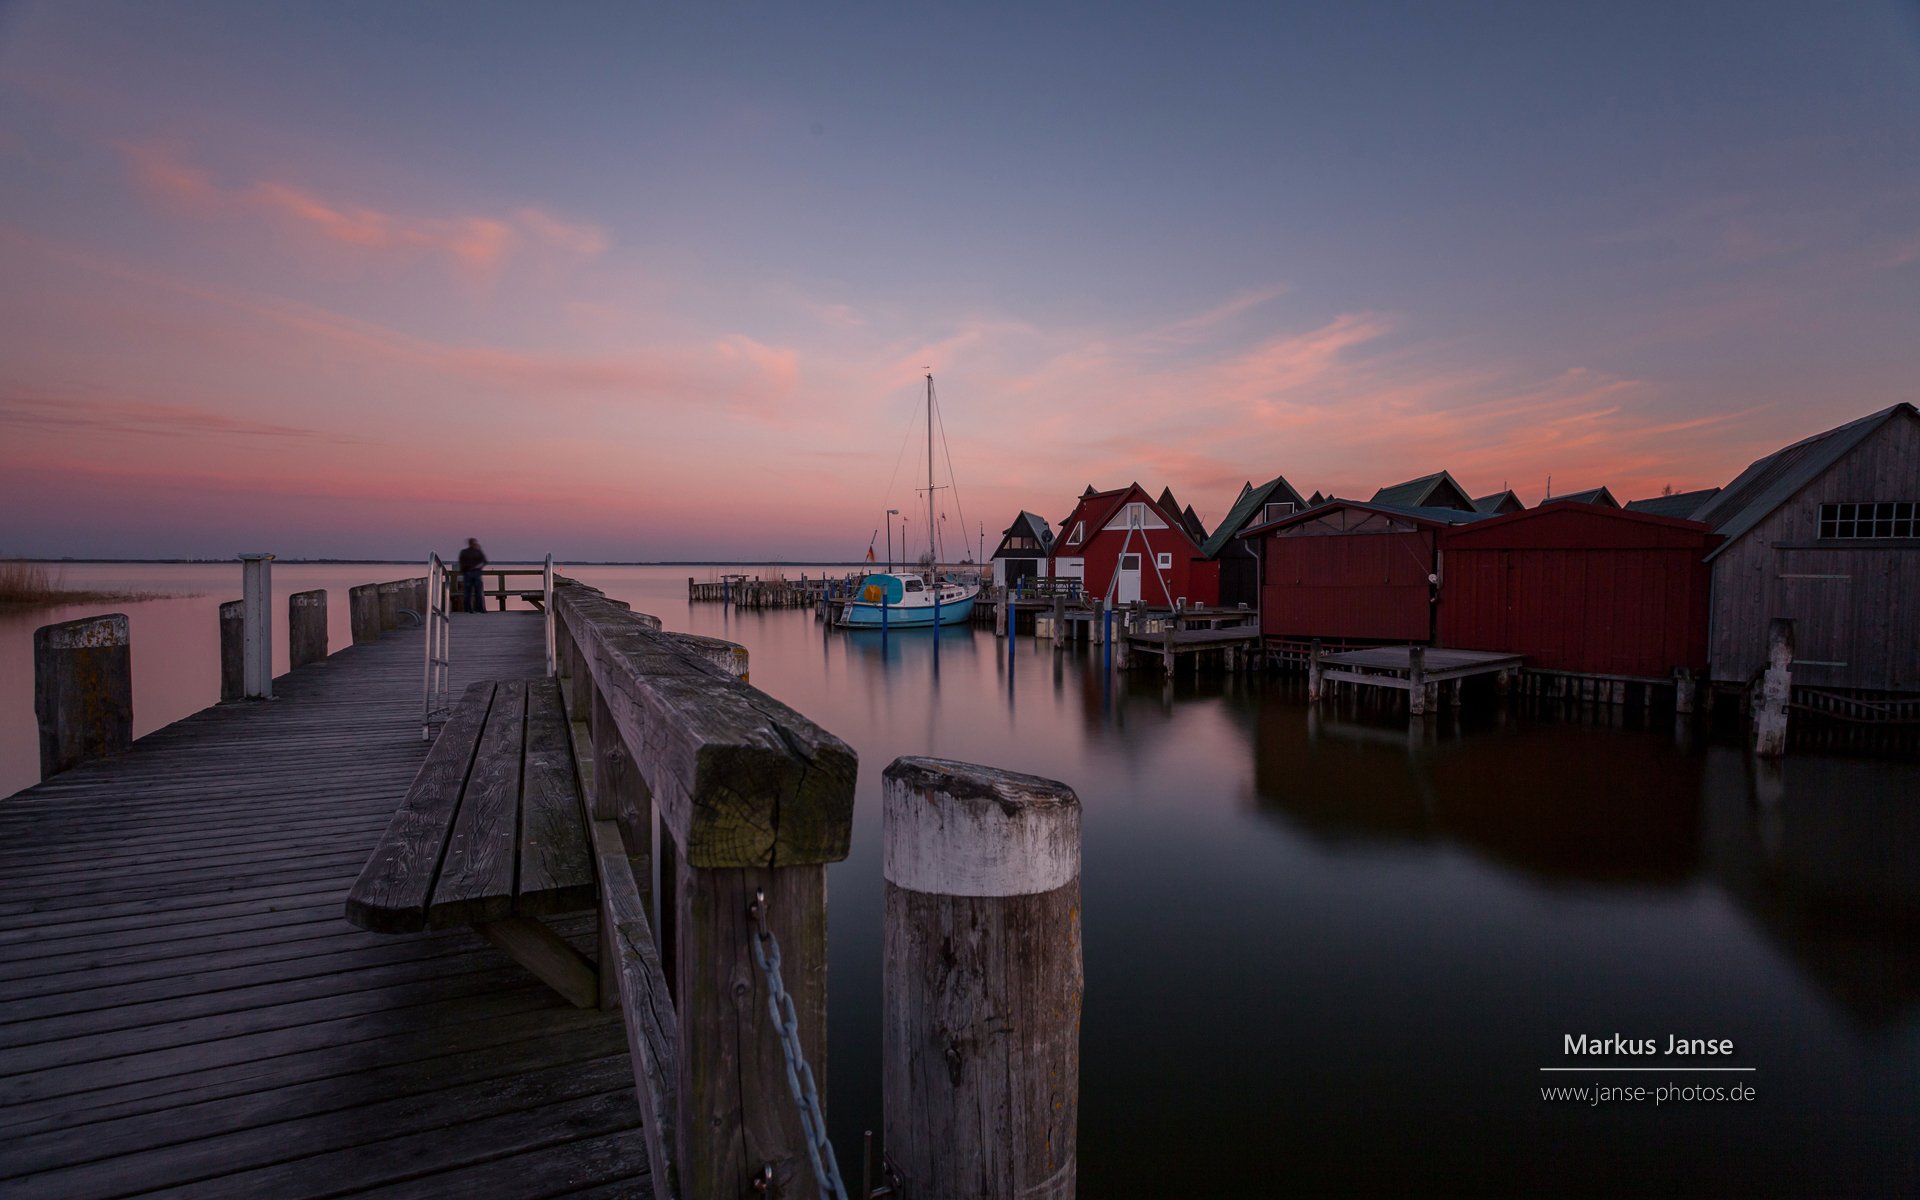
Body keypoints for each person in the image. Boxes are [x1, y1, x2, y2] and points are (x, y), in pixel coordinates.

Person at [458, 538, 487, 613]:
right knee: (475, 592)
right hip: (473, 573)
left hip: (469, 573)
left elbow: (461, 562)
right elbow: (484, 561)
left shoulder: (464, 552)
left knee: (469, 592)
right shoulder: (477, 551)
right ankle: (478, 608)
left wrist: (464, 570)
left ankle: (469, 609)